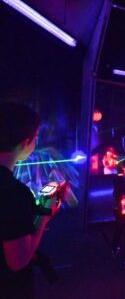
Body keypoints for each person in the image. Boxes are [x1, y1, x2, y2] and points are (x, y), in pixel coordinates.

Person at [0, 102, 59, 299]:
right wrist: (44, 215)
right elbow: (18, 260)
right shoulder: (14, 192)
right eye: (35, 138)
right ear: (25, 142)